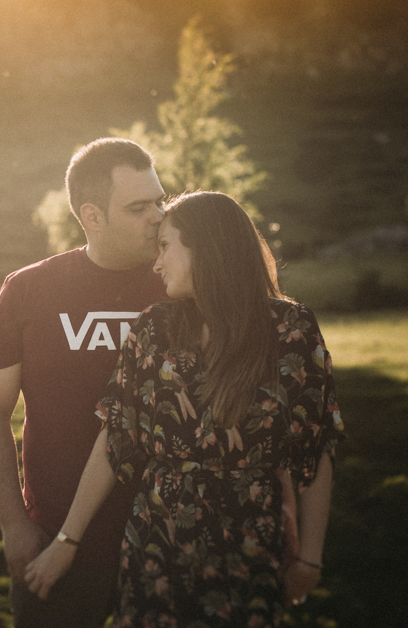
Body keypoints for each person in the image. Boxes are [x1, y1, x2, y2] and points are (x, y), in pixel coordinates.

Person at [24, 191, 344, 627]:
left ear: (206, 248)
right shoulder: (154, 329)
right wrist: (66, 540)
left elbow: (315, 447)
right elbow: (115, 442)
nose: (156, 264)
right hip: (156, 546)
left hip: (249, 548)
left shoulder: (291, 330)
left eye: (166, 246)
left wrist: (310, 560)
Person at [0, 138, 169, 628]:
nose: (159, 217)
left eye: (161, 201)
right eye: (139, 207)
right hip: (54, 541)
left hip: (170, 539)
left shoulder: (180, 285)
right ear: (93, 216)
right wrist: (14, 525)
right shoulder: (29, 290)